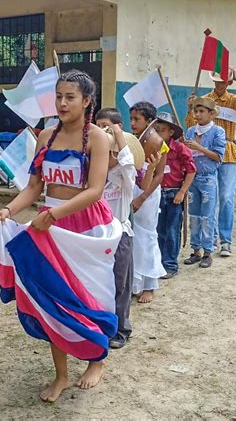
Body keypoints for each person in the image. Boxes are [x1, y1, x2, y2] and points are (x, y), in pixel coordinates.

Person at [0, 70, 121, 403]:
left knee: (91, 296)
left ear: (87, 101)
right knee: (53, 298)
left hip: (86, 226)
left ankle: (96, 358)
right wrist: (9, 210)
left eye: (70, 97)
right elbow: (34, 188)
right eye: (58, 96)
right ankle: (61, 374)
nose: (62, 103)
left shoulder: (97, 139)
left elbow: (94, 191)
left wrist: (54, 214)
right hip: (51, 226)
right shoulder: (46, 136)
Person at [186, 68, 236, 257]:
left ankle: (225, 240)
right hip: (206, 156)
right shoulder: (204, 100)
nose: (219, 84)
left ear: (229, 83)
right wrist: (189, 107)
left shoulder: (234, 100)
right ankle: (211, 239)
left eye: (223, 81)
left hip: (229, 152)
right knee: (209, 199)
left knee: (226, 197)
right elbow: (190, 125)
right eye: (216, 81)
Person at [95, 107, 144, 349]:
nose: (101, 133)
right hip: (97, 234)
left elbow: (127, 164)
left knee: (120, 283)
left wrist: (119, 135)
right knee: (99, 282)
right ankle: (102, 325)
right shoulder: (95, 171)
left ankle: (121, 328)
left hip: (119, 233)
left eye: (106, 127)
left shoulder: (124, 175)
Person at [129, 102, 167, 303]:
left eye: (137, 119)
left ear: (149, 121)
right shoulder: (130, 140)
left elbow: (159, 175)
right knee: (133, 237)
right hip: (132, 190)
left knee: (147, 237)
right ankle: (135, 282)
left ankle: (150, 284)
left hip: (149, 195)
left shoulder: (159, 143)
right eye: (132, 119)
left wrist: (142, 197)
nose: (133, 123)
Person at [184, 97, 225, 268]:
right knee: (194, 215)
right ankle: (196, 249)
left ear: (210, 114)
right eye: (196, 111)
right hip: (192, 177)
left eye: (201, 111)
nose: (198, 115)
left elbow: (218, 156)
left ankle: (208, 250)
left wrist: (199, 147)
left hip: (208, 177)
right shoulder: (190, 131)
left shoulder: (218, 132)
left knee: (207, 216)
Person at [155, 112, 196, 279]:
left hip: (174, 193)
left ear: (171, 132)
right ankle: (158, 263)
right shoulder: (153, 147)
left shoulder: (180, 149)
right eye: (156, 130)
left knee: (172, 230)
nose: (158, 134)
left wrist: (182, 192)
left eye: (162, 130)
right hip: (157, 192)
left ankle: (170, 264)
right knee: (158, 230)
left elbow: (191, 171)